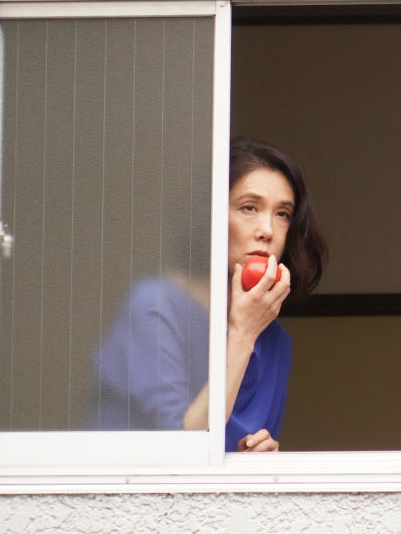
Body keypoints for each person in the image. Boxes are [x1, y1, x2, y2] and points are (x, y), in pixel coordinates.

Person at [90, 139, 326, 452]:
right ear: (210, 216)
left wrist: (254, 454)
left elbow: (227, 457)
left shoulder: (275, 340)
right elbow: (185, 450)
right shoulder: (154, 306)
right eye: (249, 208)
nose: (267, 230)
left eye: (282, 214)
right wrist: (242, 334)